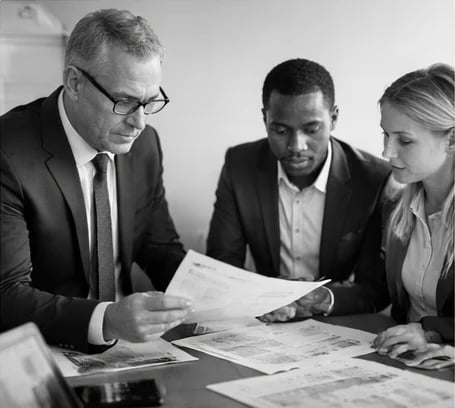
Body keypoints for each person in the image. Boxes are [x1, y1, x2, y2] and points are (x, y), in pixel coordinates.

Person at [0, 9, 192, 352]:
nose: (140, 124)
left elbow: (158, 248)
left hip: (134, 347)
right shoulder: (8, 153)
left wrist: (244, 295)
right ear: (75, 83)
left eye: (149, 102)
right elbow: (6, 294)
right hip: (45, 349)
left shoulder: (145, 146)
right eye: (125, 102)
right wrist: (106, 319)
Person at [206, 58, 390, 320]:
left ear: (334, 118)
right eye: (280, 130)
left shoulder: (373, 179)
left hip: (337, 322)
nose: (296, 146)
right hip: (262, 321)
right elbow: (222, 264)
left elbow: (376, 289)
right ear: (264, 118)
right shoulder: (240, 166)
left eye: (311, 129)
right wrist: (258, 298)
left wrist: (322, 299)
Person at [372, 63, 454, 368]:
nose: (387, 152)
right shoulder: (395, 206)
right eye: (386, 135)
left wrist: (431, 333)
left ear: (452, 140)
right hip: (404, 365)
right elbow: (382, 293)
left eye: (404, 141)